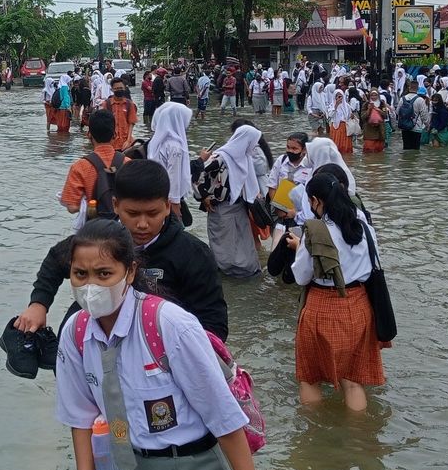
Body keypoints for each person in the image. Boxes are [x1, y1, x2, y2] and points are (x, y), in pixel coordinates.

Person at [54, 219, 269, 470]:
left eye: (104, 274)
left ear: (129, 272)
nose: (91, 287)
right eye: (81, 274)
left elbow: (224, 417)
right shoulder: (75, 334)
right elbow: (80, 414)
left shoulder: (168, 326)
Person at [16, 159, 228, 338]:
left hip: (160, 354)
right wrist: (39, 304)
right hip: (94, 342)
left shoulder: (193, 254)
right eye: (133, 214)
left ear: (166, 206)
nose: (142, 224)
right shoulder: (98, 241)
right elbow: (55, 260)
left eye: (152, 213)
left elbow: (214, 323)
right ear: (116, 205)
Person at [284, 172, 386, 410]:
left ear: (316, 201)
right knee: (353, 381)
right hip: (359, 306)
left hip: (322, 309)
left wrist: (300, 247)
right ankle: (360, 438)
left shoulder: (315, 232)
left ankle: (316, 438)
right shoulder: (364, 227)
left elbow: (301, 276)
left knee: (310, 378)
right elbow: (374, 265)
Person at [197, 124, 265, 278]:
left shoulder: (245, 158)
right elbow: (195, 175)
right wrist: (203, 196)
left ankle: (247, 271)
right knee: (223, 243)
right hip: (221, 208)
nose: (254, 146)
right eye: (252, 142)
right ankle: (224, 274)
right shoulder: (219, 158)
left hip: (240, 207)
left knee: (243, 240)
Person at [60, 110, 125, 224]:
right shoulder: (129, 163)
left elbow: (72, 207)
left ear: (89, 134)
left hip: (94, 231)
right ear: (114, 134)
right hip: (124, 230)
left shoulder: (79, 167)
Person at [147, 101, 192, 220]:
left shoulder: (156, 141)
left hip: (155, 193)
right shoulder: (175, 146)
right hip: (168, 199)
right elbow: (174, 177)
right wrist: (175, 204)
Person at [103, 81, 138, 149]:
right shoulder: (107, 104)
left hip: (126, 143)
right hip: (111, 143)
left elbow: (131, 123)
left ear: (124, 88)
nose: (119, 90)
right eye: (116, 88)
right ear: (112, 89)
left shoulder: (129, 104)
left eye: (121, 88)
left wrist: (128, 141)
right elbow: (104, 125)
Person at [327, 90, 353, 154]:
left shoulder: (347, 106)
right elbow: (330, 115)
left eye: (340, 96)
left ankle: (347, 157)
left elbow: (349, 116)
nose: (339, 98)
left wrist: (352, 116)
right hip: (336, 127)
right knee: (336, 143)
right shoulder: (331, 105)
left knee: (345, 145)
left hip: (345, 127)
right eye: (337, 96)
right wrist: (336, 105)